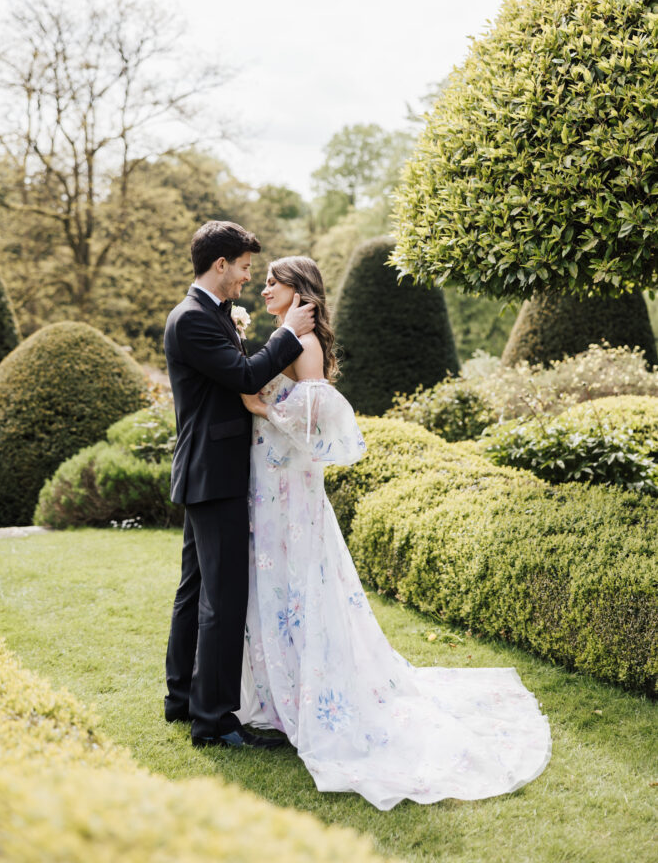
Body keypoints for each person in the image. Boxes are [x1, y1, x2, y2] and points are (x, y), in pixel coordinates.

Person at [238, 255, 552, 810]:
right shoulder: (287, 337)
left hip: (288, 491)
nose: (264, 288)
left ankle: (304, 696)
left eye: (272, 281)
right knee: (277, 586)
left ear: (298, 288)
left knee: (295, 587)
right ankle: (274, 692)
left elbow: (316, 420)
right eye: (261, 280)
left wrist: (261, 408)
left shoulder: (304, 345)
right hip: (271, 487)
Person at [163, 222, 315, 749]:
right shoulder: (191, 320)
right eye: (246, 266)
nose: (251, 276)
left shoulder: (210, 315)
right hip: (217, 474)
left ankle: (180, 699)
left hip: (210, 471)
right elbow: (245, 376)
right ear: (221, 264)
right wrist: (288, 333)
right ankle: (215, 720)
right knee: (219, 602)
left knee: (196, 593)